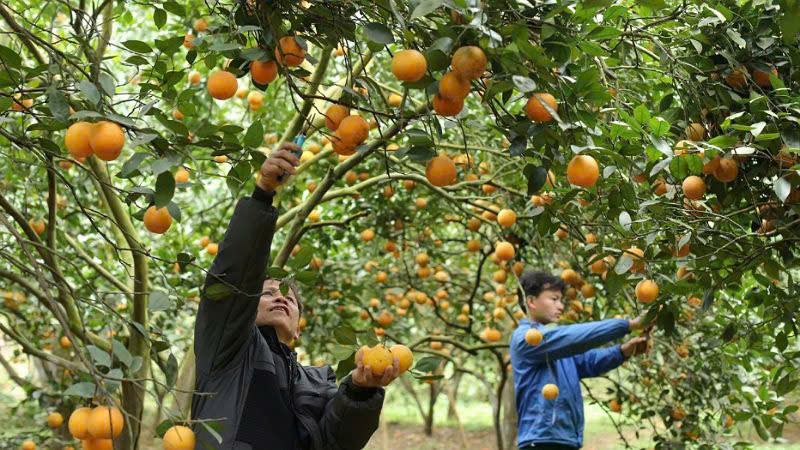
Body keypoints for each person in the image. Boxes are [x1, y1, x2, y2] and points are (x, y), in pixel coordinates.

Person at [191, 142, 400, 450]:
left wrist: (360, 391)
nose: (281, 298)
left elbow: (336, 442)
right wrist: (262, 194)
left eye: (289, 298)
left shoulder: (318, 381)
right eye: (267, 293)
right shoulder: (228, 350)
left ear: (299, 328)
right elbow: (235, 278)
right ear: (247, 307)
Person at [509, 271, 650, 450]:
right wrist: (628, 325)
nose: (561, 306)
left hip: (565, 439)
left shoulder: (557, 346)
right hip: (541, 440)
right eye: (554, 299)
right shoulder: (525, 339)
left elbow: (588, 362)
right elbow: (574, 337)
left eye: (561, 300)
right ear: (531, 302)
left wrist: (623, 351)